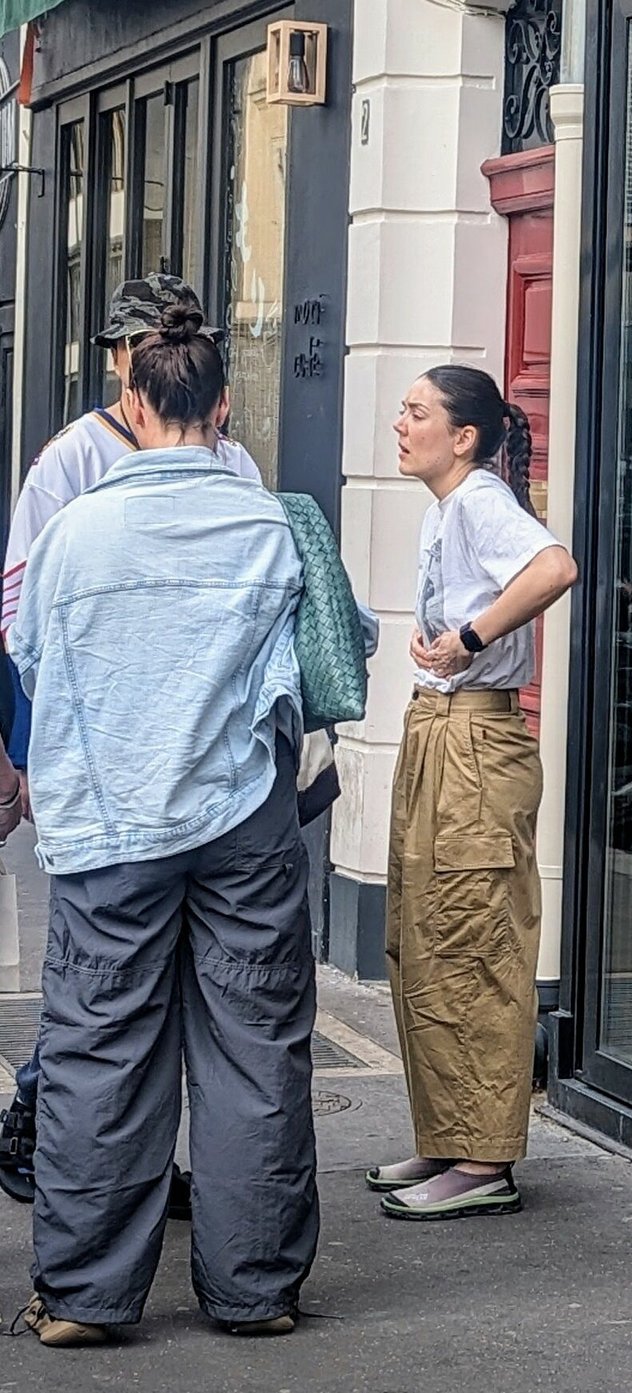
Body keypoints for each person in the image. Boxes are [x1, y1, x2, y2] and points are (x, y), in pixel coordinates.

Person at [11, 303, 317, 1345]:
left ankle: (87, 1297)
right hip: (243, 815)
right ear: (223, 406)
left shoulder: (73, 531)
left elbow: (31, 658)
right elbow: (321, 669)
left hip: (109, 819)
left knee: (100, 1048)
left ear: (132, 405)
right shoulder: (272, 522)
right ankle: (255, 1289)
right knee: (256, 1046)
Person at [0, 274, 263, 1211]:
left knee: (173, 979)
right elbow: (18, 619)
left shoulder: (236, 467)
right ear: (123, 361)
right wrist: (23, 752)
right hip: (103, 762)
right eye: (145, 344)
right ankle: (46, 1115)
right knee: (107, 983)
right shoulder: (71, 461)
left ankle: (149, 1165)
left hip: (210, 772)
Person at [369, 365, 578, 1220]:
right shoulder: (447, 507)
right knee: (424, 936)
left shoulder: (483, 498)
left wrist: (470, 635)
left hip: (475, 742)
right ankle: (451, 1134)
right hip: (441, 734)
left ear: (464, 435)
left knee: (475, 937)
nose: (400, 423)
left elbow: (555, 566)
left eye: (416, 412)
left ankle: (486, 1158)